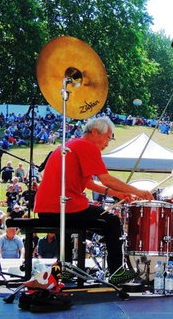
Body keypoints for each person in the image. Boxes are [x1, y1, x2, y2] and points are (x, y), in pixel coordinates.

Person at [34, 117, 153, 282]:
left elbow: (89, 182)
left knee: (77, 225)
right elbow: (106, 179)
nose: (107, 143)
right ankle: (116, 273)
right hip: (63, 207)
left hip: (46, 208)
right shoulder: (87, 146)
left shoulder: (71, 144)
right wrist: (138, 191)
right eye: (107, 137)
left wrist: (117, 194)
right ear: (95, 132)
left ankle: (63, 270)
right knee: (111, 221)